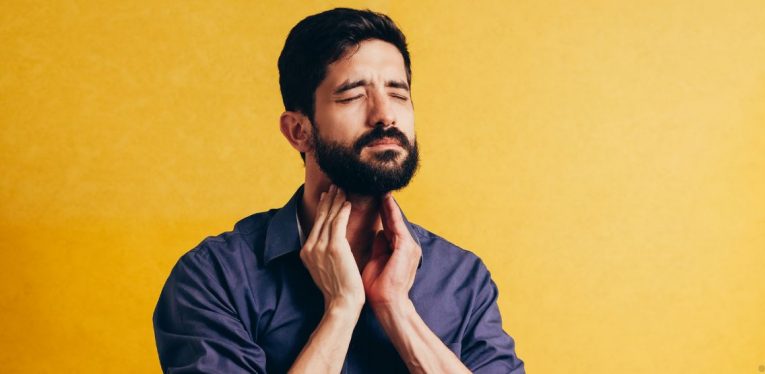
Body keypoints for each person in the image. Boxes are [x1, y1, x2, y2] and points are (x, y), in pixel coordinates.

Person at [153, 7, 525, 373]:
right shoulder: (217, 277)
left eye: (398, 94)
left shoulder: (462, 279)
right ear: (298, 131)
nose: (385, 114)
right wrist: (341, 309)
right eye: (351, 96)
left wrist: (398, 310)